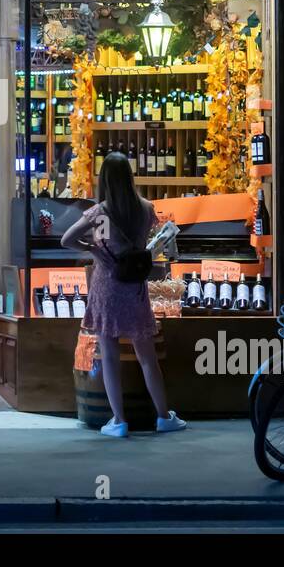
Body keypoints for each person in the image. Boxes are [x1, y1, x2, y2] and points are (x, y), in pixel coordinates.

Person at [61, 151, 187, 438]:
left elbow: (66, 239)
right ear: (129, 178)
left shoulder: (99, 213)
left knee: (109, 355)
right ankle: (163, 416)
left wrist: (93, 249)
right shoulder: (146, 208)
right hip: (134, 287)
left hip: (107, 284)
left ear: (104, 179)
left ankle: (118, 421)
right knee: (147, 356)